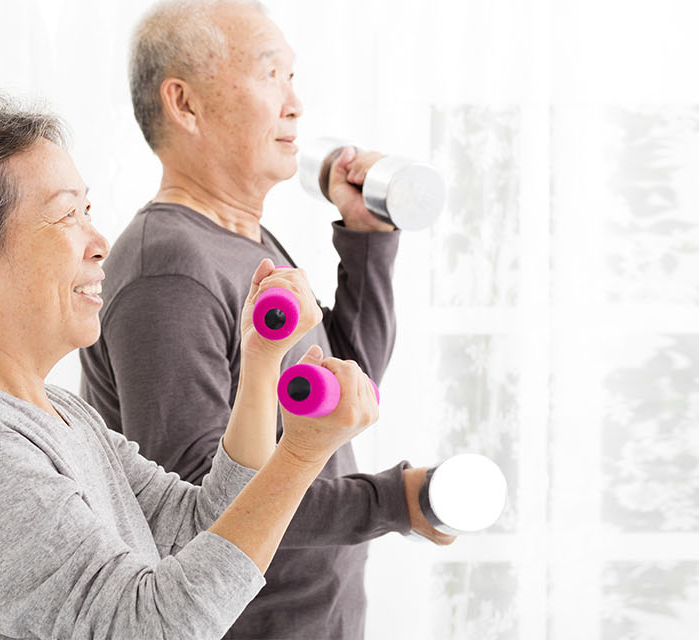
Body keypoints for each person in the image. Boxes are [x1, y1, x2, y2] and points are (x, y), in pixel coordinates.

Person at [0, 93, 381, 639]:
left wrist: (259, 364)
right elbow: (143, 629)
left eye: (87, 211)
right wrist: (301, 453)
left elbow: (198, 528)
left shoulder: (58, 413)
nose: (99, 243)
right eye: (66, 216)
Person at [79, 2, 453, 638]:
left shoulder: (241, 242)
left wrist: (367, 236)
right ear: (185, 104)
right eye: (270, 74)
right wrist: (393, 501)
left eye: (292, 76)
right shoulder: (168, 269)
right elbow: (202, 505)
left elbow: (346, 381)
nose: (295, 104)